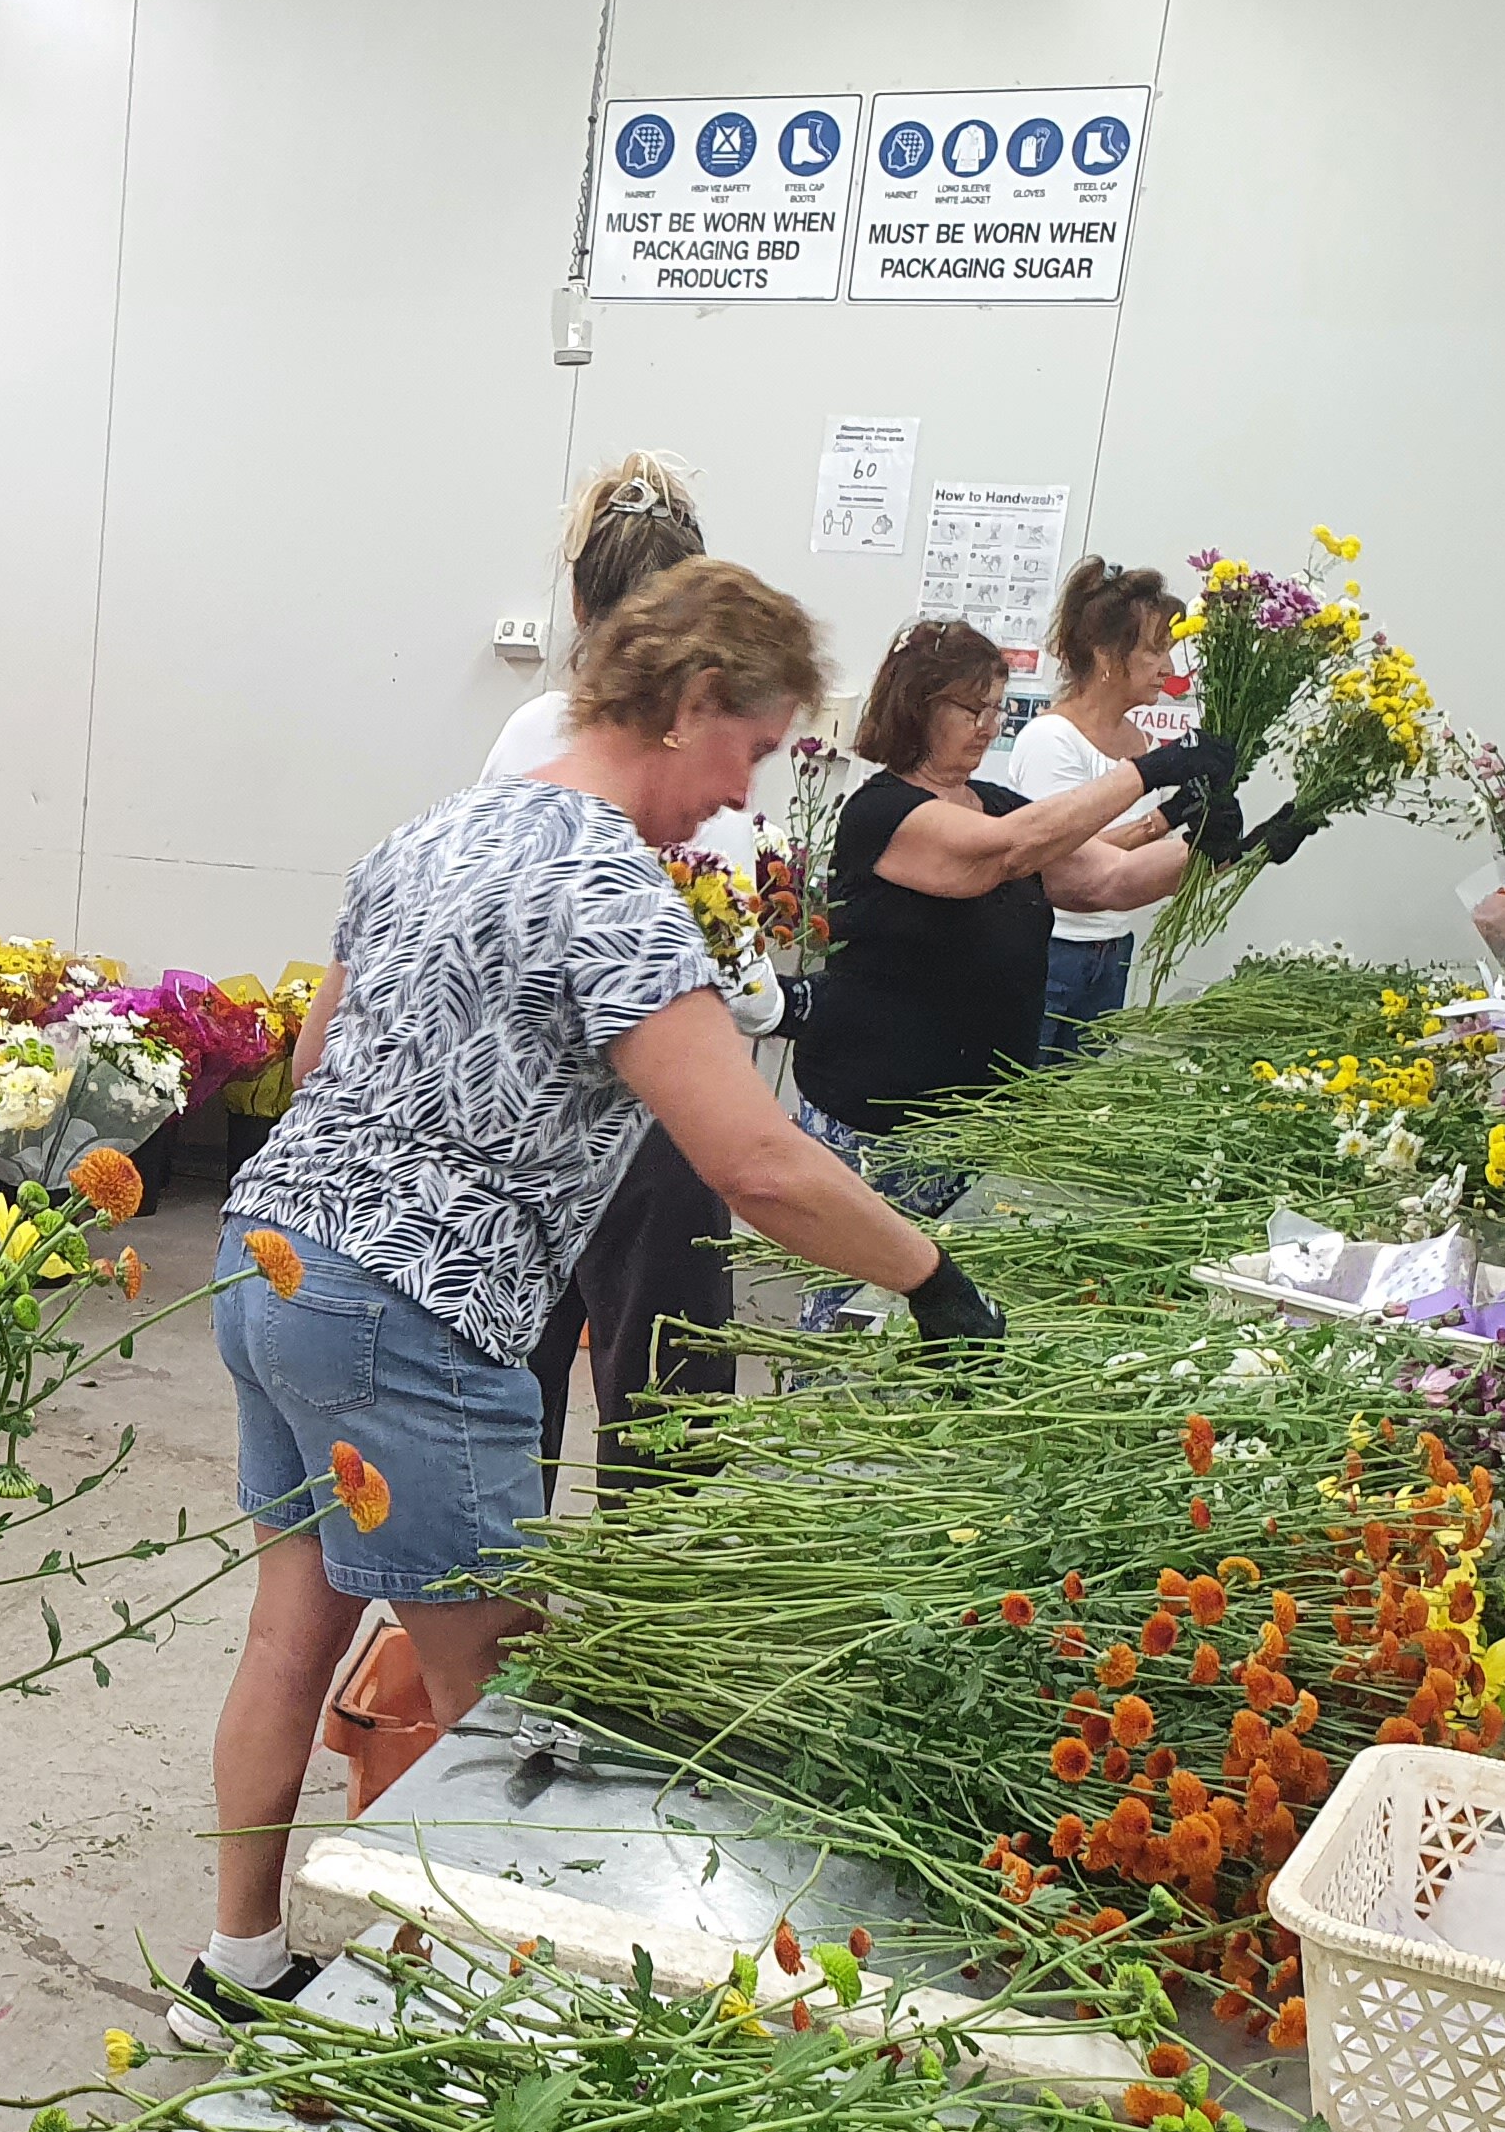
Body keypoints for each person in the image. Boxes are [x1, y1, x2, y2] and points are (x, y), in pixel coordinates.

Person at [182, 562, 1008, 2044]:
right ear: (693, 706)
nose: (738, 793)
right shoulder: (606, 890)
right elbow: (755, 1158)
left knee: (288, 1635)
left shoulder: (427, 832)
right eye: (749, 751)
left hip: (273, 1266)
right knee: (504, 1701)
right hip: (408, 1315)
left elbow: (314, 1071)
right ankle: (513, 2032)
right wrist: (931, 1276)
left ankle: (236, 1970)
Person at [480, 451, 778, 1490]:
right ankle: (640, 1615)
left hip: (534, 1107)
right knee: (665, 1383)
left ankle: (497, 1598)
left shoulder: (531, 732)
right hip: (667, 1112)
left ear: (575, 599)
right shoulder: (703, 738)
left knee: (513, 1366)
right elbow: (736, 969)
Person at [791, 620, 1227, 1306]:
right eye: (973, 709)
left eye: (996, 708)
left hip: (976, 1128)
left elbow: (1107, 880)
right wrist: (1148, 772)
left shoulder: (992, 803)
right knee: (855, 1308)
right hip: (880, 1125)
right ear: (917, 706)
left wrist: (1221, 848)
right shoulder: (882, 811)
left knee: (949, 1315)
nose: (989, 726)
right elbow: (1002, 853)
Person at [1005, 557, 1225, 1047]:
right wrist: (1158, 822)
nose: (1168, 668)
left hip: (1111, 948)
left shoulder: (1141, 742)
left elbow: (1132, 866)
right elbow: (1057, 856)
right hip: (1053, 949)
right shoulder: (1052, 740)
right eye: (1154, 652)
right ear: (1106, 656)